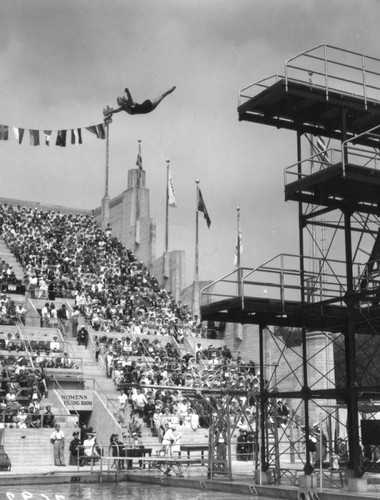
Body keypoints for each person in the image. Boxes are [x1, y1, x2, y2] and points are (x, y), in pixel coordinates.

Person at [103, 86, 176, 118]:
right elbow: (115, 111)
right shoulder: (123, 108)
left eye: (118, 99)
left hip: (148, 105)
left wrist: (128, 91)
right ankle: (168, 89)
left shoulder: (128, 103)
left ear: (122, 100)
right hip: (147, 108)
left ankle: (171, 88)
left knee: (161, 95)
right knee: (161, 95)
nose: (117, 101)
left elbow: (130, 98)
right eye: (117, 100)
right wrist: (108, 112)